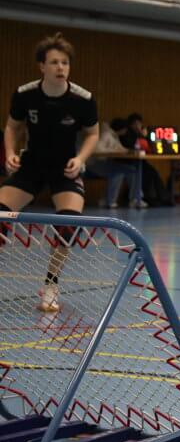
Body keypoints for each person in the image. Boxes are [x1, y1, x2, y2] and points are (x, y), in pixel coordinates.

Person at [1, 34, 98, 312]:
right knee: (0, 215)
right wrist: (10, 152)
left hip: (64, 168)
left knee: (68, 225)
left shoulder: (83, 99)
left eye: (65, 62)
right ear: (41, 66)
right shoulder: (25, 94)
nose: (60, 67)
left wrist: (80, 159)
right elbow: (12, 126)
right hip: (31, 166)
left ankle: (51, 286)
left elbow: (92, 134)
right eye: (54, 62)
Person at [87, 117, 144, 209]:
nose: (126, 131)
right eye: (125, 129)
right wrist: (113, 152)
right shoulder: (106, 134)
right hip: (95, 164)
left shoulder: (114, 135)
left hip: (106, 163)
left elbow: (119, 148)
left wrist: (128, 151)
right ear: (121, 129)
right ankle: (110, 201)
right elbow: (97, 150)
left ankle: (135, 199)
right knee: (117, 172)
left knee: (133, 171)